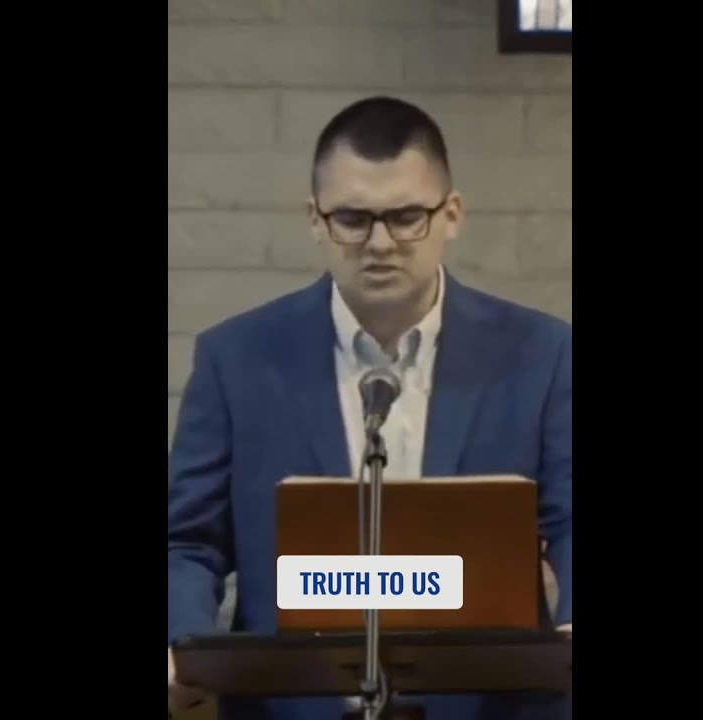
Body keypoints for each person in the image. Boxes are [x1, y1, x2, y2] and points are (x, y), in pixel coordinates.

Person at [168, 96, 572, 719]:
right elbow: (188, 541)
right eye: (352, 219)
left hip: (496, 705)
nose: (380, 244)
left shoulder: (542, 353)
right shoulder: (237, 359)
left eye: (407, 217)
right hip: (294, 705)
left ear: (451, 215)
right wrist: (182, 644)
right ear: (315, 219)